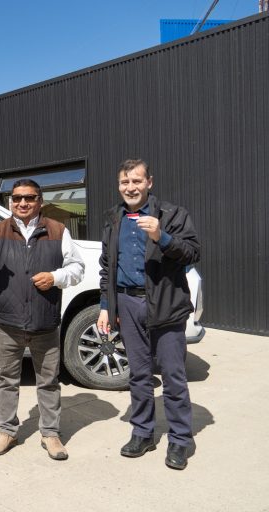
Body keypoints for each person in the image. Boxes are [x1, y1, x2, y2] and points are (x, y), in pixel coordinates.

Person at [0, 179, 84, 460]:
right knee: (7, 379)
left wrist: (55, 277)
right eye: (17, 198)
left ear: (40, 201)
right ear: (11, 201)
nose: (23, 203)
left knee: (48, 381)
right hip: (7, 322)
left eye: (29, 198)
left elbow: (77, 268)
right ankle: (7, 430)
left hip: (45, 321)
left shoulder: (57, 230)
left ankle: (51, 433)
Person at [97, 159, 200, 470]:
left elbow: (192, 252)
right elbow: (107, 266)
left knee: (173, 375)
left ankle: (180, 439)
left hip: (165, 304)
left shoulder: (171, 214)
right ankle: (142, 432)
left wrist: (162, 237)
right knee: (139, 375)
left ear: (149, 183)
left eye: (137, 181)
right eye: (125, 182)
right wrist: (106, 306)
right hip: (127, 304)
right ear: (119, 185)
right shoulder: (113, 218)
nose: (130, 187)